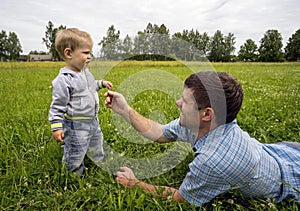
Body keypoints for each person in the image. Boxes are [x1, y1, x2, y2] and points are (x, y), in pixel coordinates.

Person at [104, 71, 300, 206]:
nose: (177, 103)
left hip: (293, 180)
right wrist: (124, 109)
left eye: (185, 101)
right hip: (285, 151)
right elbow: (160, 133)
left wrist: (134, 183)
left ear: (207, 114)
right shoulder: (204, 123)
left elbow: (182, 198)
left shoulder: (213, 160)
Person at [49, 28, 113, 175]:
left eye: (90, 52)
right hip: (76, 124)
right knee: (75, 151)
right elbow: (57, 106)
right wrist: (56, 126)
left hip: (93, 120)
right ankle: (73, 174)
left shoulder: (85, 72)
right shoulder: (64, 80)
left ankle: (99, 162)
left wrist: (101, 84)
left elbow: (90, 86)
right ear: (68, 53)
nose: (89, 57)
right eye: (85, 53)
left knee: (97, 144)